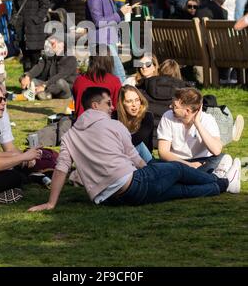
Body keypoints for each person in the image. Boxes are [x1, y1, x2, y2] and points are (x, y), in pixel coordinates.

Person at [28, 87, 240, 212]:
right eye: (108, 103)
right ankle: (222, 181)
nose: (112, 107)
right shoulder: (113, 125)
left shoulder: (70, 136)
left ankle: (221, 184)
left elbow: (61, 168)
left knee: (179, 191)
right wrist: (153, 171)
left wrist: (51, 202)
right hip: (133, 184)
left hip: (108, 200)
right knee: (178, 170)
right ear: (95, 106)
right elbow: (136, 160)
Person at [157, 88, 232, 174]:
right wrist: (189, 165)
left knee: (221, 158)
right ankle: (210, 177)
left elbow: (216, 150)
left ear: (187, 111)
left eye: (175, 106)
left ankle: (198, 176)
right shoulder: (168, 116)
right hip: (176, 161)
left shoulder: (207, 119)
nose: (170, 107)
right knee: (155, 165)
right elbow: (163, 152)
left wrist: (197, 124)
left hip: (202, 161)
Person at [83, 0, 132, 83]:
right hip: (102, 40)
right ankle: (125, 97)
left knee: (107, 74)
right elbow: (99, 21)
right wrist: (120, 13)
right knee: (119, 72)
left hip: (109, 38)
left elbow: (111, 17)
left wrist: (121, 13)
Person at [137, 59, 188, 146]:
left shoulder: (145, 87)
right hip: (171, 138)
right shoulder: (184, 91)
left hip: (147, 136)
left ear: (159, 71)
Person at [11, 0, 49, 72]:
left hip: (35, 28)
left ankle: (36, 85)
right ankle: (26, 85)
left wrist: (36, 19)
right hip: (22, 29)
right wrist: (15, 20)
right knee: (26, 60)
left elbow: (45, 5)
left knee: (36, 58)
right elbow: (15, 7)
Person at [20, 33, 77, 100]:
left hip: (64, 89)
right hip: (48, 83)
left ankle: (42, 92)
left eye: (52, 44)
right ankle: (43, 93)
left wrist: (44, 85)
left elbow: (60, 76)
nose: (50, 46)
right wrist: (28, 76)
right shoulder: (50, 54)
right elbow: (39, 66)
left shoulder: (70, 58)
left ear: (62, 44)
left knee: (60, 82)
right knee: (27, 79)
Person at [72, 44, 121, 117]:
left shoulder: (79, 81)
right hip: (106, 124)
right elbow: (117, 109)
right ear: (109, 60)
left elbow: (76, 106)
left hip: (81, 124)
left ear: (91, 59)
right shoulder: (114, 82)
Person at [116, 85, 154, 156]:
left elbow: (137, 140)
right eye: (129, 101)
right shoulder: (114, 117)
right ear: (122, 103)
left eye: (137, 100)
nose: (134, 104)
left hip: (143, 158)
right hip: (120, 158)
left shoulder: (147, 117)